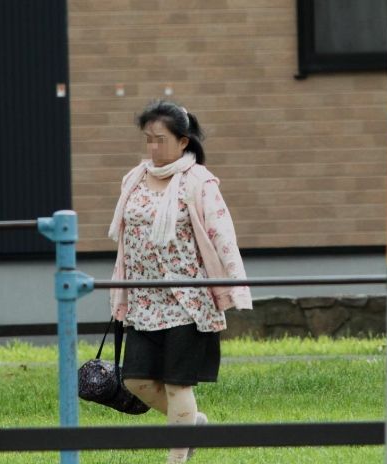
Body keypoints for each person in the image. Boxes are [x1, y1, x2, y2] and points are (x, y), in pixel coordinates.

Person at [108, 100, 252, 463]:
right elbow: (125, 240)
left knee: (178, 385)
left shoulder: (198, 181)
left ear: (183, 141)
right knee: (135, 380)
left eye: (160, 139)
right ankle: (192, 423)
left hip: (187, 301)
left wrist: (236, 286)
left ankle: (176, 457)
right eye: (148, 139)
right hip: (143, 300)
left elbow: (222, 234)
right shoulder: (134, 178)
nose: (153, 147)